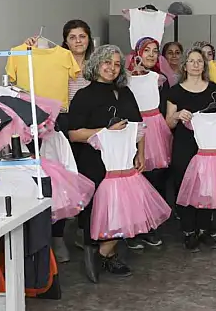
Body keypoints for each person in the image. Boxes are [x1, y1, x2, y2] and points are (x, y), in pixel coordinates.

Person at [68, 45, 144, 282]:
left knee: (123, 208)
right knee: (98, 209)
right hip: (94, 161)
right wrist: (106, 131)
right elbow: (74, 134)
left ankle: (103, 253)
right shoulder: (84, 96)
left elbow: (138, 127)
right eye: (107, 62)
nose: (112, 68)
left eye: (117, 64)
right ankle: (99, 250)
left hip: (123, 160)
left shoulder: (126, 92)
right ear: (96, 64)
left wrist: (140, 154)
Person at [23, 19, 94, 263]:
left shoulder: (95, 63)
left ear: (89, 39)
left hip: (87, 125)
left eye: (82, 36)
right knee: (61, 180)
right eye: (72, 37)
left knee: (87, 177)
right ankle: (57, 237)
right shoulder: (55, 59)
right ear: (65, 40)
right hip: (60, 121)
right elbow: (34, 69)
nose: (78, 41)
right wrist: (31, 49)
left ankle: (85, 231)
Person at [165, 48, 216, 251]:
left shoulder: (214, 89)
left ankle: (204, 229)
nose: (195, 64)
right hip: (184, 144)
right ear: (185, 65)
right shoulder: (175, 91)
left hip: (208, 146)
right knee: (184, 185)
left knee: (206, 187)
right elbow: (168, 122)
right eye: (191, 61)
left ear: (204, 65)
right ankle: (188, 231)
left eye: (199, 61)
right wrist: (177, 115)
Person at [124, 37, 172, 250]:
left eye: (155, 51)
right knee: (134, 179)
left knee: (156, 178)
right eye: (147, 50)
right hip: (133, 128)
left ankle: (152, 226)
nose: (151, 55)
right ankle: (135, 228)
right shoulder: (125, 79)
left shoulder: (159, 79)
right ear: (137, 54)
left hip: (156, 130)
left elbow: (165, 107)